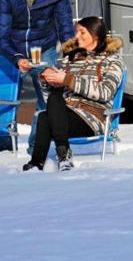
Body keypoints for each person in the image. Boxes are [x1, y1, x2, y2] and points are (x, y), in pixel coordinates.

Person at [0, 0, 74, 151]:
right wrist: (17, 58)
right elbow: (1, 36)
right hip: (14, 50)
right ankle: (5, 148)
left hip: (44, 48)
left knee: (49, 98)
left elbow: (63, 18)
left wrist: (70, 48)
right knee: (7, 100)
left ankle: (36, 147)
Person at [22, 16, 125, 172]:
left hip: (92, 116)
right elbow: (48, 95)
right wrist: (47, 81)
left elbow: (104, 92)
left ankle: (41, 161)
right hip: (64, 113)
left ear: (95, 35)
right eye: (76, 32)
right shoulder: (69, 60)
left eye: (82, 32)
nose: (77, 36)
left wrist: (68, 79)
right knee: (52, 101)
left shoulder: (112, 62)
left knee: (46, 116)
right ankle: (57, 156)